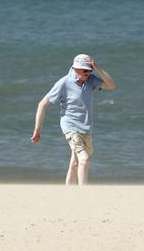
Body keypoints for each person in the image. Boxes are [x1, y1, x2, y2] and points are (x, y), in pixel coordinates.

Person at [31, 54, 116, 185]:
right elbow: (42, 104)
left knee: (75, 163)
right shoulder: (63, 83)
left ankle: (69, 193)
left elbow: (111, 85)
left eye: (90, 70)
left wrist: (97, 67)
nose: (88, 72)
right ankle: (83, 193)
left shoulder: (91, 80)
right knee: (84, 158)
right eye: (85, 70)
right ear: (75, 69)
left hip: (86, 127)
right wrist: (37, 130)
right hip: (70, 126)